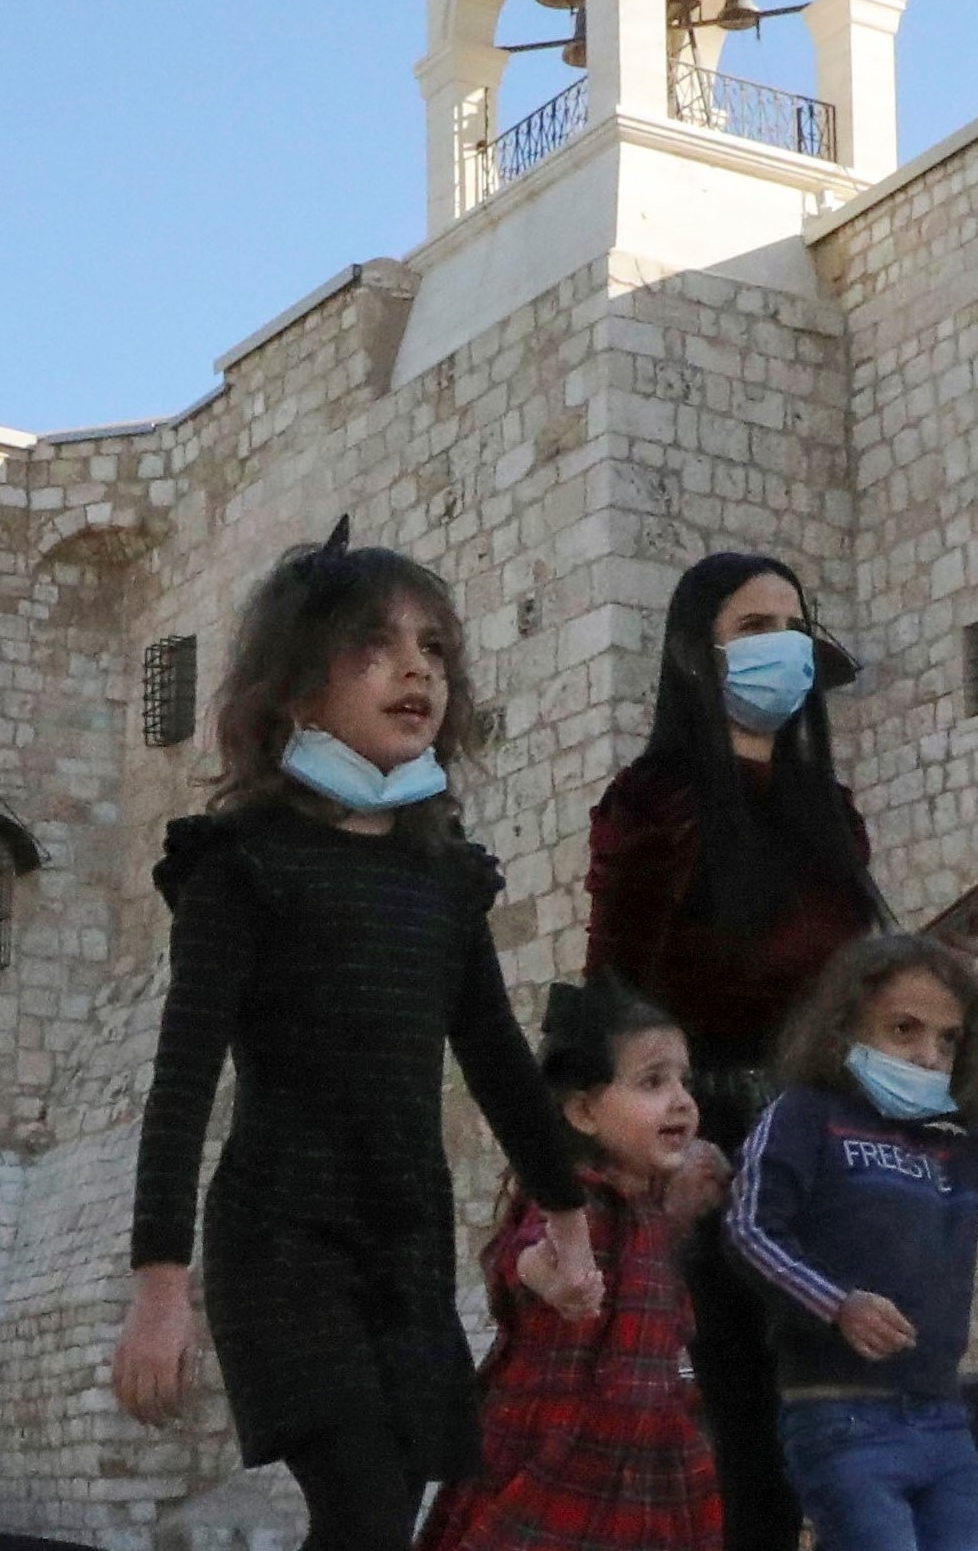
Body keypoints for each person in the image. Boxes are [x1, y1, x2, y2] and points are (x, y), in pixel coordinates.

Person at [115, 519, 605, 1551]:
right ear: (297, 688)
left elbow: (500, 1062)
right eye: (374, 646)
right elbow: (183, 1078)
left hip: (405, 1236)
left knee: (387, 1513)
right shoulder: (239, 864)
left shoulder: (444, 877)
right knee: (362, 1504)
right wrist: (161, 1284)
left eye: (432, 648)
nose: (413, 669)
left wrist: (566, 1221)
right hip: (281, 1237)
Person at [585, 551, 893, 1551]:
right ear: (695, 653)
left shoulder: (827, 811)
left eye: (794, 625)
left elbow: (846, 987)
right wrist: (649, 1153)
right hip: (713, 1142)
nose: (782, 646)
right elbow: (615, 992)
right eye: (754, 626)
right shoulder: (653, 798)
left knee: (850, 1426)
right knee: (746, 1434)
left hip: (827, 1141)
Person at [725, 934, 978, 1551]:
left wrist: (967, 1094)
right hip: (842, 1414)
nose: (926, 1055)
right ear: (843, 1031)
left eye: (947, 1040)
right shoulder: (807, 1114)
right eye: (902, 1030)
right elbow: (750, 1226)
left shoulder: (950, 1144)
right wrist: (838, 1305)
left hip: (942, 1416)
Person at [420, 974, 729, 1551]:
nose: (682, 1100)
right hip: (564, 1446)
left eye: (683, 1080)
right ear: (585, 1111)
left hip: (649, 1451)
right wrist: (548, 1272)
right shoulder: (575, 1198)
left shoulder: (650, 1208)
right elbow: (521, 1257)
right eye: (653, 1082)